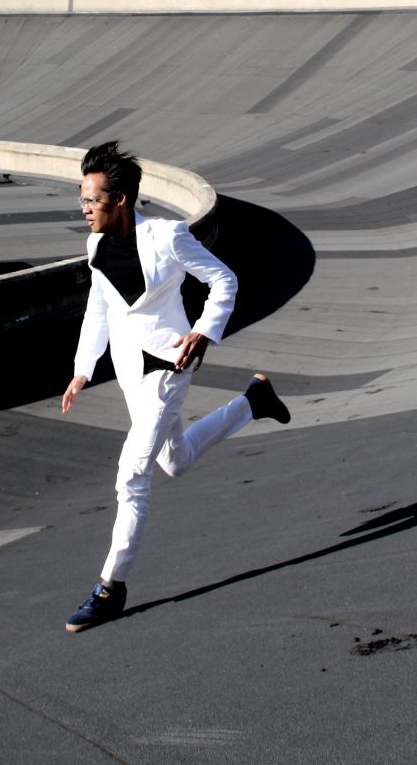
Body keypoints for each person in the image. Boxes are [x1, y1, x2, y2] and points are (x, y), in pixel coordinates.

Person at [60, 140, 290, 632]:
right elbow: (99, 309)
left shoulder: (167, 237)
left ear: (119, 198)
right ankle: (253, 402)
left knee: (132, 476)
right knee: (174, 460)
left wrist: (205, 332)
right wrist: (83, 368)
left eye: (92, 199)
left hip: (169, 364)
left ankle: (110, 587)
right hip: (129, 371)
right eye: (81, 199)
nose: (84, 209)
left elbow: (223, 280)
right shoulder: (96, 245)